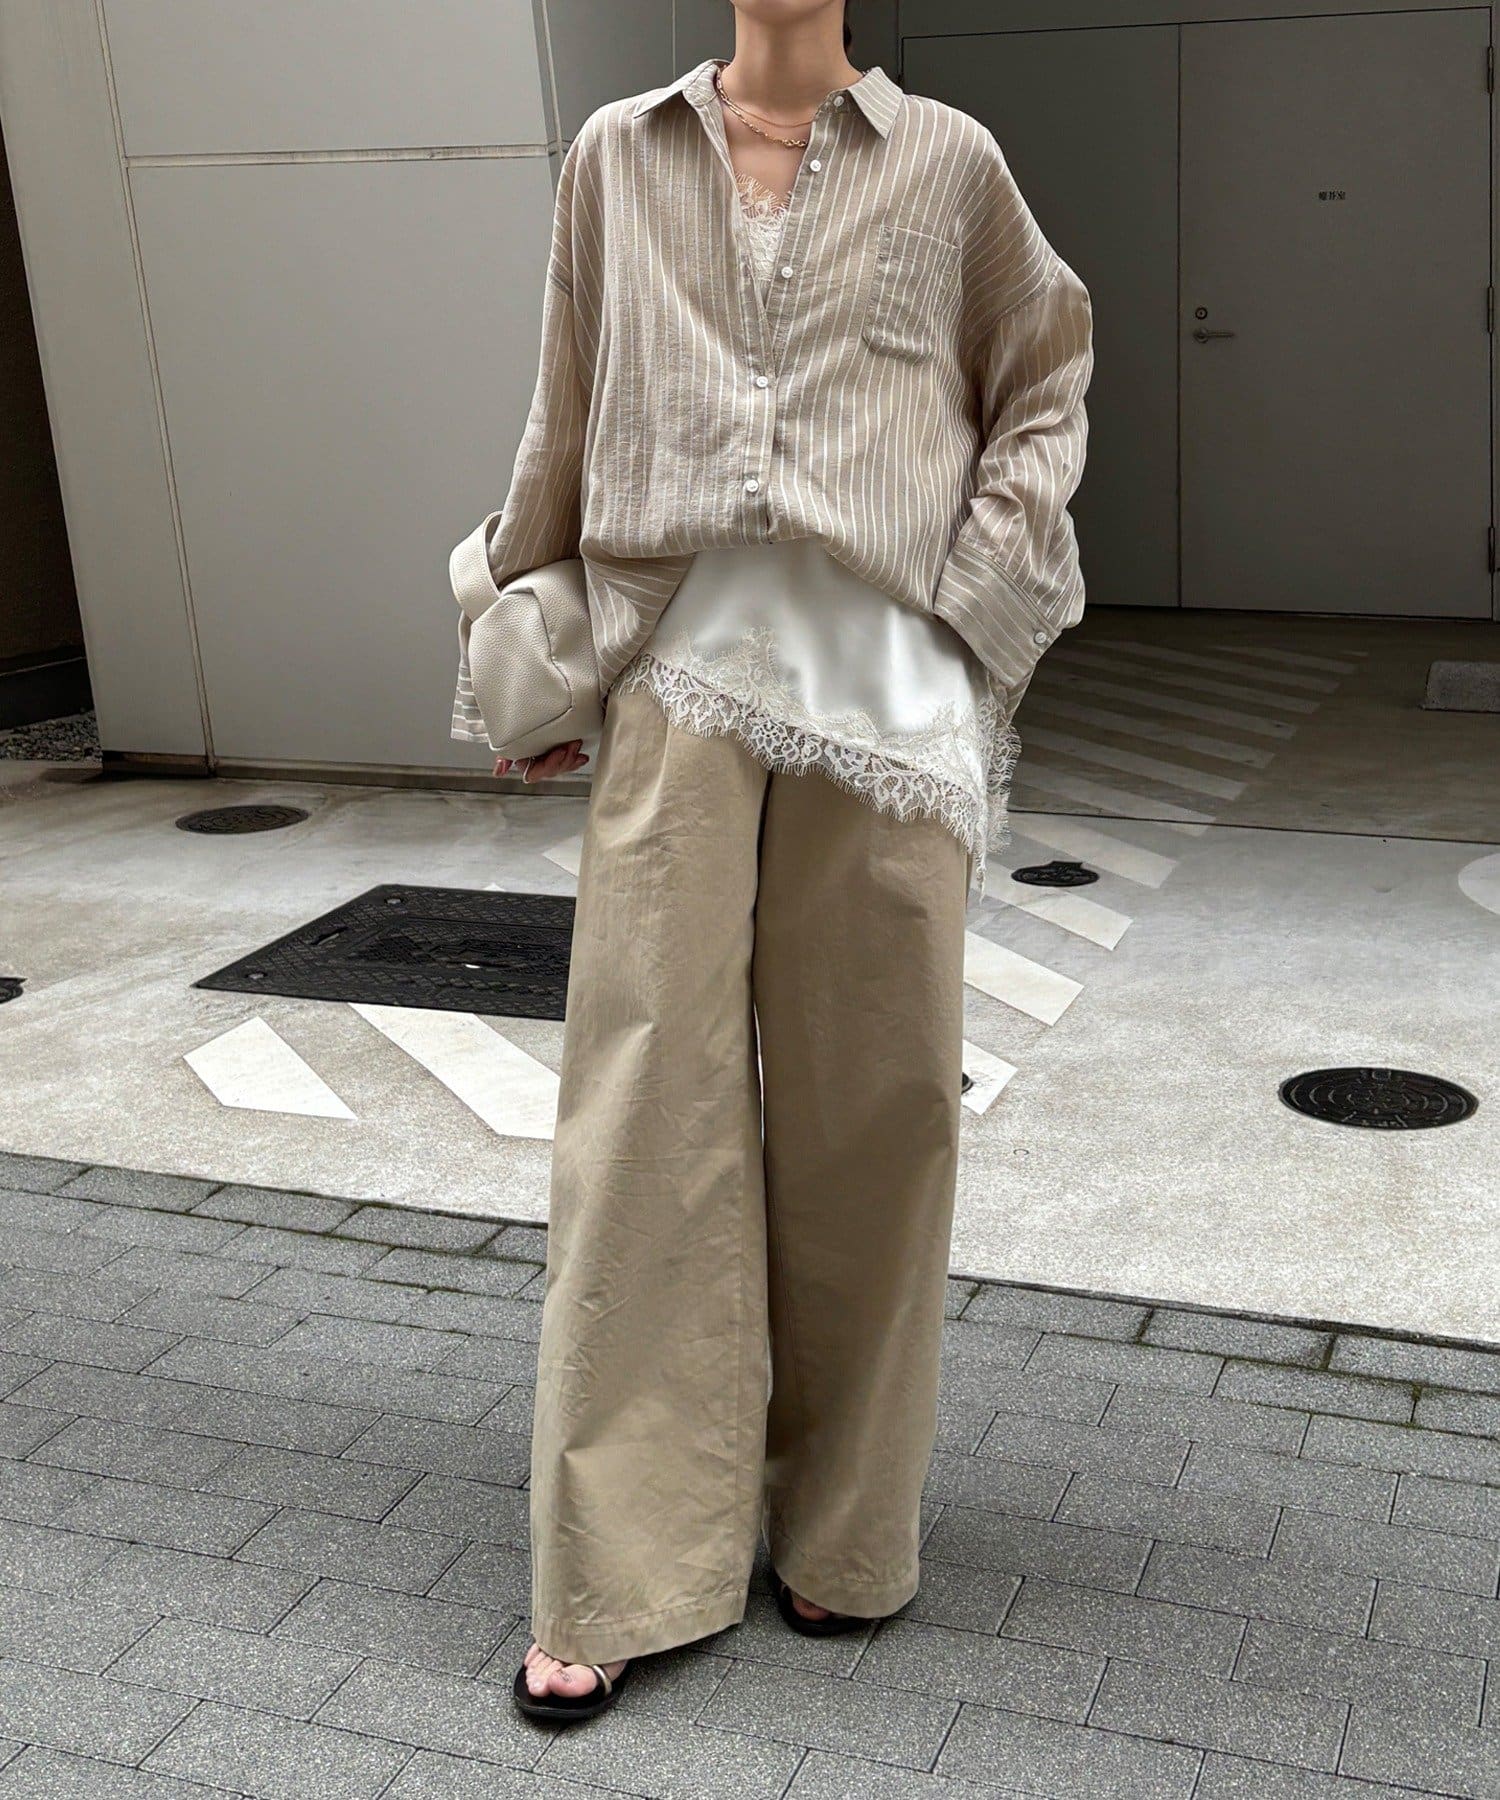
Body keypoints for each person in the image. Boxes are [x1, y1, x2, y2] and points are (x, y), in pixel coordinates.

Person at [449, 0, 1093, 1726]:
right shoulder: (618, 154)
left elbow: (1045, 380)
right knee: (639, 1115)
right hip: (680, 686)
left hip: (891, 710)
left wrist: (977, 607)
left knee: (878, 1114)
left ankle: (845, 1524)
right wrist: (521, 642)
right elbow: (566, 408)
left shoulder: (950, 163)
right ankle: (623, 1560)